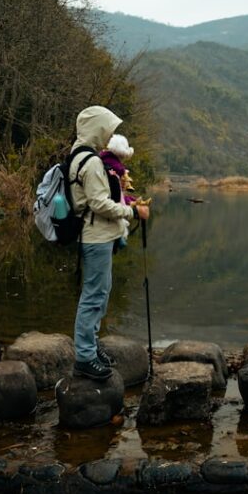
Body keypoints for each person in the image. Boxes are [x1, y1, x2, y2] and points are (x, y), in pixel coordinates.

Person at [68, 106, 149, 380]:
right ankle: (85, 357)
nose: (109, 134)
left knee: (100, 294)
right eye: (107, 128)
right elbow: (99, 203)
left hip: (95, 236)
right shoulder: (90, 162)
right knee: (93, 297)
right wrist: (133, 211)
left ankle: (90, 346)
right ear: (97, 128)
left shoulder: (79, 155)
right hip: (96, 237)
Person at [99, 133, 137, 250]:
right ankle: (120, 236)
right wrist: (133, 209)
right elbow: (113, 197)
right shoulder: (114, 166)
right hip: (101, 233)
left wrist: (131, 200)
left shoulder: (104, 161)